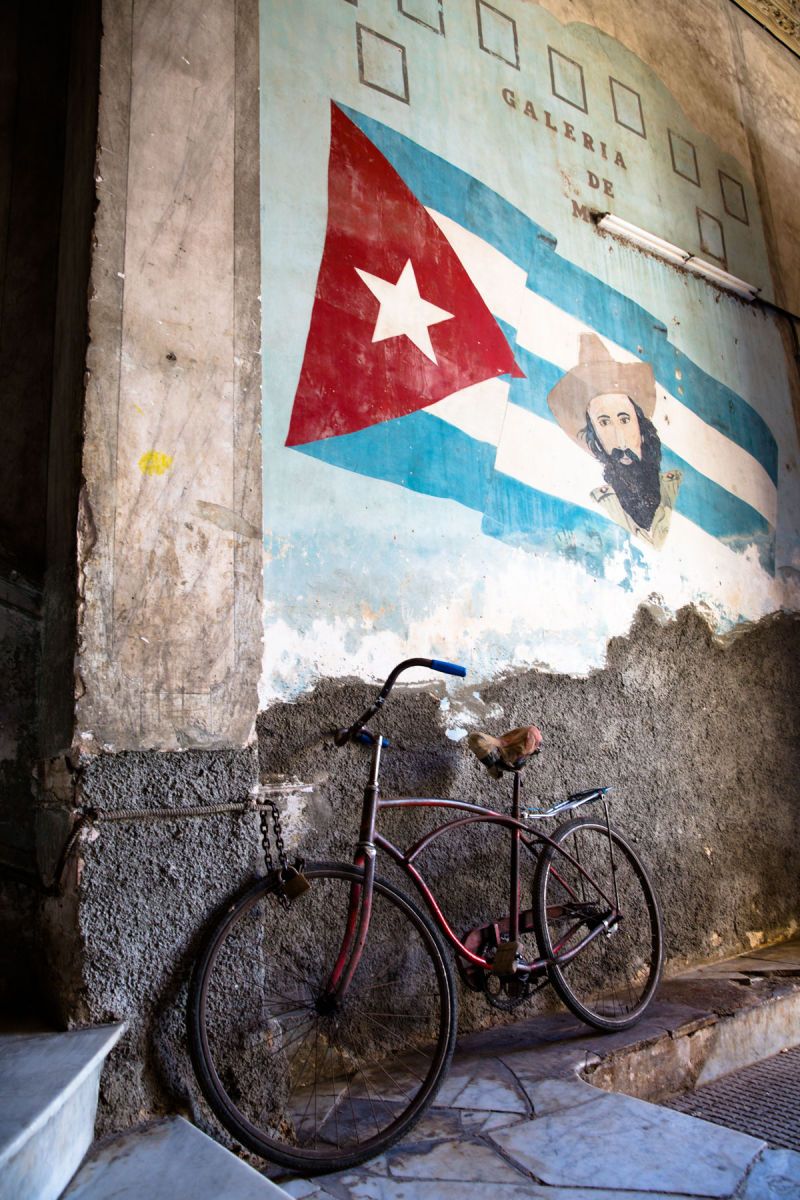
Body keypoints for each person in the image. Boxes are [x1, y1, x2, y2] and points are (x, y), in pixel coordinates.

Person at [547, 335, 682, 548]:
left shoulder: (676, 487)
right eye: (604, 423)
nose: (620, 440)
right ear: (596, 442)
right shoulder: (597, 505)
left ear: (642, 428)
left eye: (624, 419)